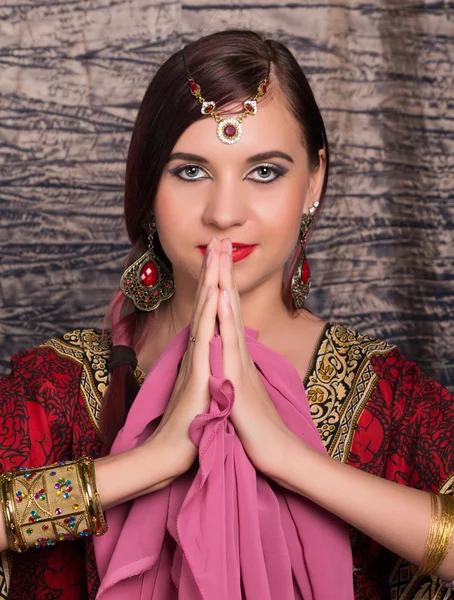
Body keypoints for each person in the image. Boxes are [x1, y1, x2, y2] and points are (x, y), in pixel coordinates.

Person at [0, 28, 453, 600]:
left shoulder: (384, 396)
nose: (224, 212)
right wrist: (153, 460)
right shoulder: (58, 389)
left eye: (264, 172)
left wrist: (287, 456)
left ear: (313, 180)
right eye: (191, 171)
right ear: (148, 183)